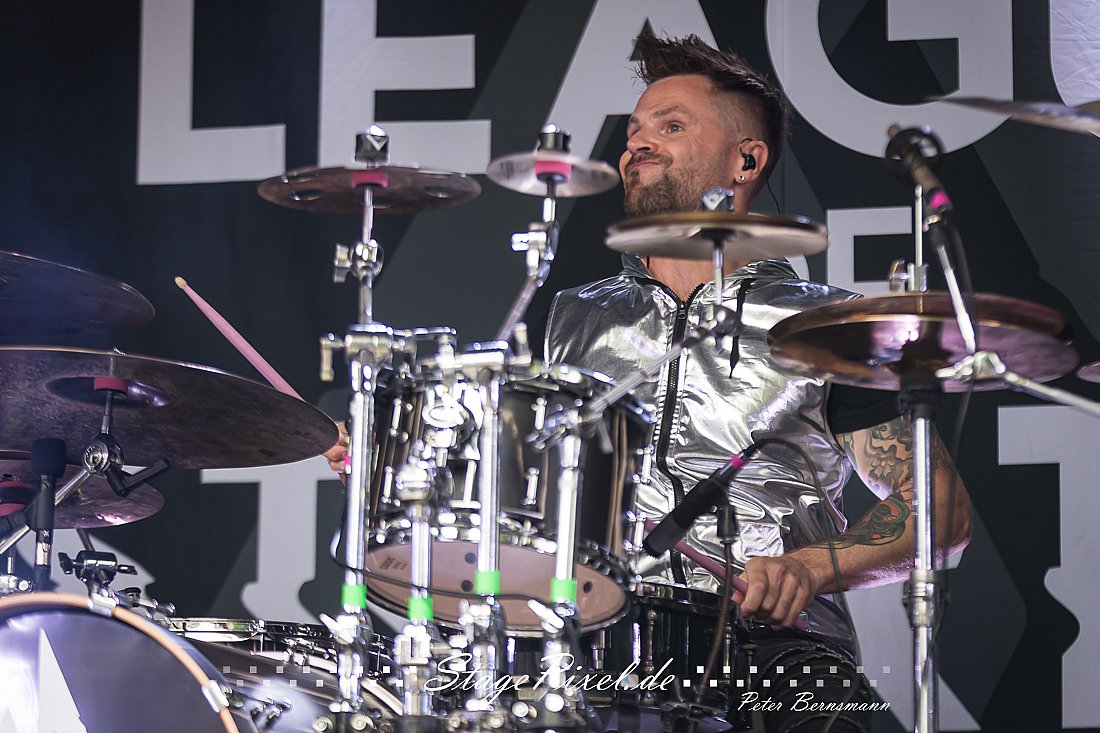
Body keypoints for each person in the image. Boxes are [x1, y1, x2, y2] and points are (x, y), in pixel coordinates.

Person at [541, 34, 972, 732]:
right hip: (600, 638)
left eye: (670, 127)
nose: (636, 145)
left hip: (771, 647)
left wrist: (809, 567)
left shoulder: (823, 326)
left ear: (746, 160)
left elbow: (938, 510)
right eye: (634, 131)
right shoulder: (573, 316)